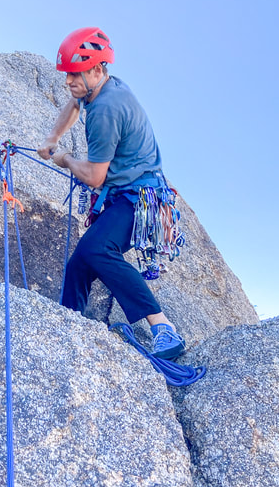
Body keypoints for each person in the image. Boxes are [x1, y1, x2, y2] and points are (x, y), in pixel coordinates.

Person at [37, 27, 186, 360]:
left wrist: (64, 158)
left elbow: (94, 176)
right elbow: (74, 103)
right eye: (67, 74)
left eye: (74, 74)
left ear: (96, 69)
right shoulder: (103, 86)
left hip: (140, 199)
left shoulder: (106, 110)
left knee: (98, 249)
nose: (68, 81)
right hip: (129, 193)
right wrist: (52, 138)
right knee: (80, 262)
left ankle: (164, 328)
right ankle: (68, 323)